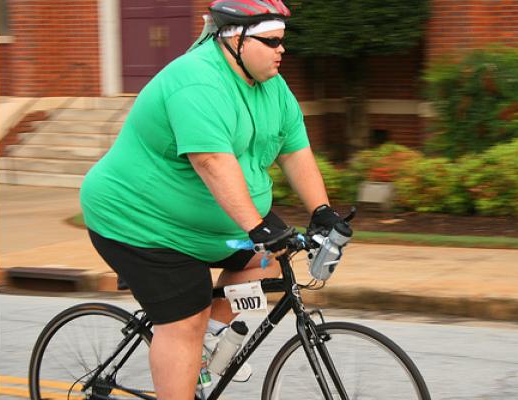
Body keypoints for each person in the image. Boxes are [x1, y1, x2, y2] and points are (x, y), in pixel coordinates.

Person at [80, 1, 345, 399]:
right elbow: (210, 161)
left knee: (269, 258)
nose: (282, 51)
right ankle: (191, 345)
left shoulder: (272, 86)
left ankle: (204, 349)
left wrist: (322, 212)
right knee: (185, 317)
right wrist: (256, 226)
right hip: (140, 223)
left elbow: (295, 151)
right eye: (272, 42)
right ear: (234, 39)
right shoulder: (197, 81)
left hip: (211, 225)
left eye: (283, 42)